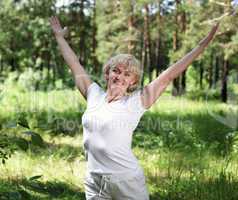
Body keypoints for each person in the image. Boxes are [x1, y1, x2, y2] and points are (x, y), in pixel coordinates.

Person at [49, 16, 219, 200]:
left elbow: (169, 75)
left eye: (127, 74)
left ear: (133, 81)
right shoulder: (93, 94)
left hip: (126, 182)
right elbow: (74, 64)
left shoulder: (136, 102)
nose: (120, 76)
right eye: (116, 70)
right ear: (107, 73)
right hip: (94, 180)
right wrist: (59, 37)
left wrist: (201, 46)